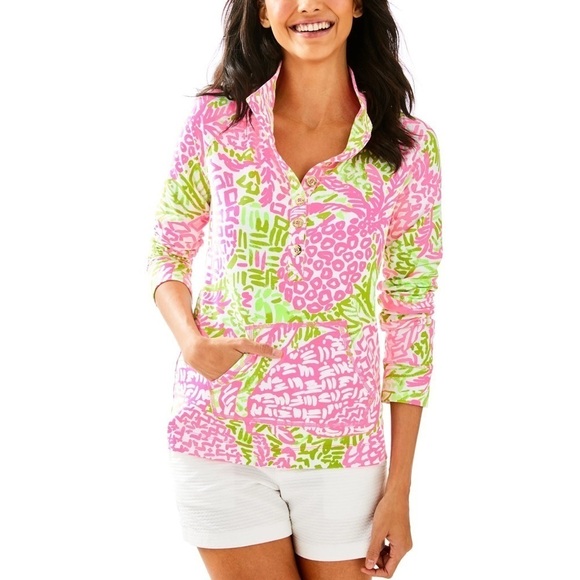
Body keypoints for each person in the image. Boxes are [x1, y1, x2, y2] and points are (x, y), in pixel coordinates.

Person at [147, 0, 442, 578]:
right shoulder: (218, 122)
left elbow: (412, 311)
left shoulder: (408, 147)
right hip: (218, 433)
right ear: (262, 12)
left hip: (341, 445)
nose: (309, 5)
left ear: (358, 5)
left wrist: (400, 488)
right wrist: (191, 342)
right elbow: (168, 248)